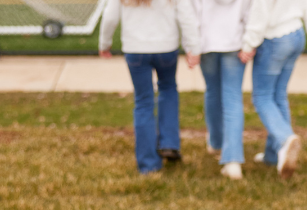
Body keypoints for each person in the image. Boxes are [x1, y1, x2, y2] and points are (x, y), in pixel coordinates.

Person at [239, 0, 307, 179]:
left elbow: (260, 9)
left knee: (262, 97)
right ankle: (273, 156)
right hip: (296, 36)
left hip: (274, 40)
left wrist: (249, 44)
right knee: (278, 96)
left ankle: (285, 139)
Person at [99, 0, 201, 174]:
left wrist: (104, 43)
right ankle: (169, 144)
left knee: (143, 101)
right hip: (166, 48)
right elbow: (187, 16)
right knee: (168, 89)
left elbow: (110, 17)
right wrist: (193, 47)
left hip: (136, 50)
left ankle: (148, 163)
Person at [192, 0, 252, 180]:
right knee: (232, 97)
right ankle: (232, 159)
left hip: (206, 42)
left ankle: (216, 143)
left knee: (212, 91)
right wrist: (249, 41)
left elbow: (192, 12)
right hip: (235, 42)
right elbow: (250, 11)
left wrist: (192, 45)